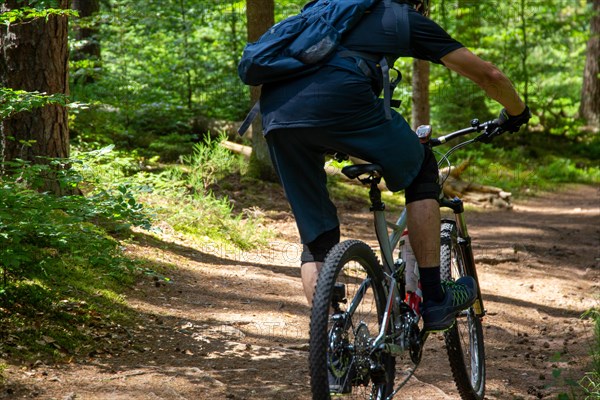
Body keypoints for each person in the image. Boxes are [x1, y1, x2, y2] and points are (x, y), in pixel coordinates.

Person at [259, 0, 531, 333]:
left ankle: (330, 344)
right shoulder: (399, 17)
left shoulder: (319, 14)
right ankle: (434, 299)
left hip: (276, 113)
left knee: (318, 243)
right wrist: (516, 112)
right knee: (422, 171)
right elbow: (487, 74)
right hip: (342, 103)